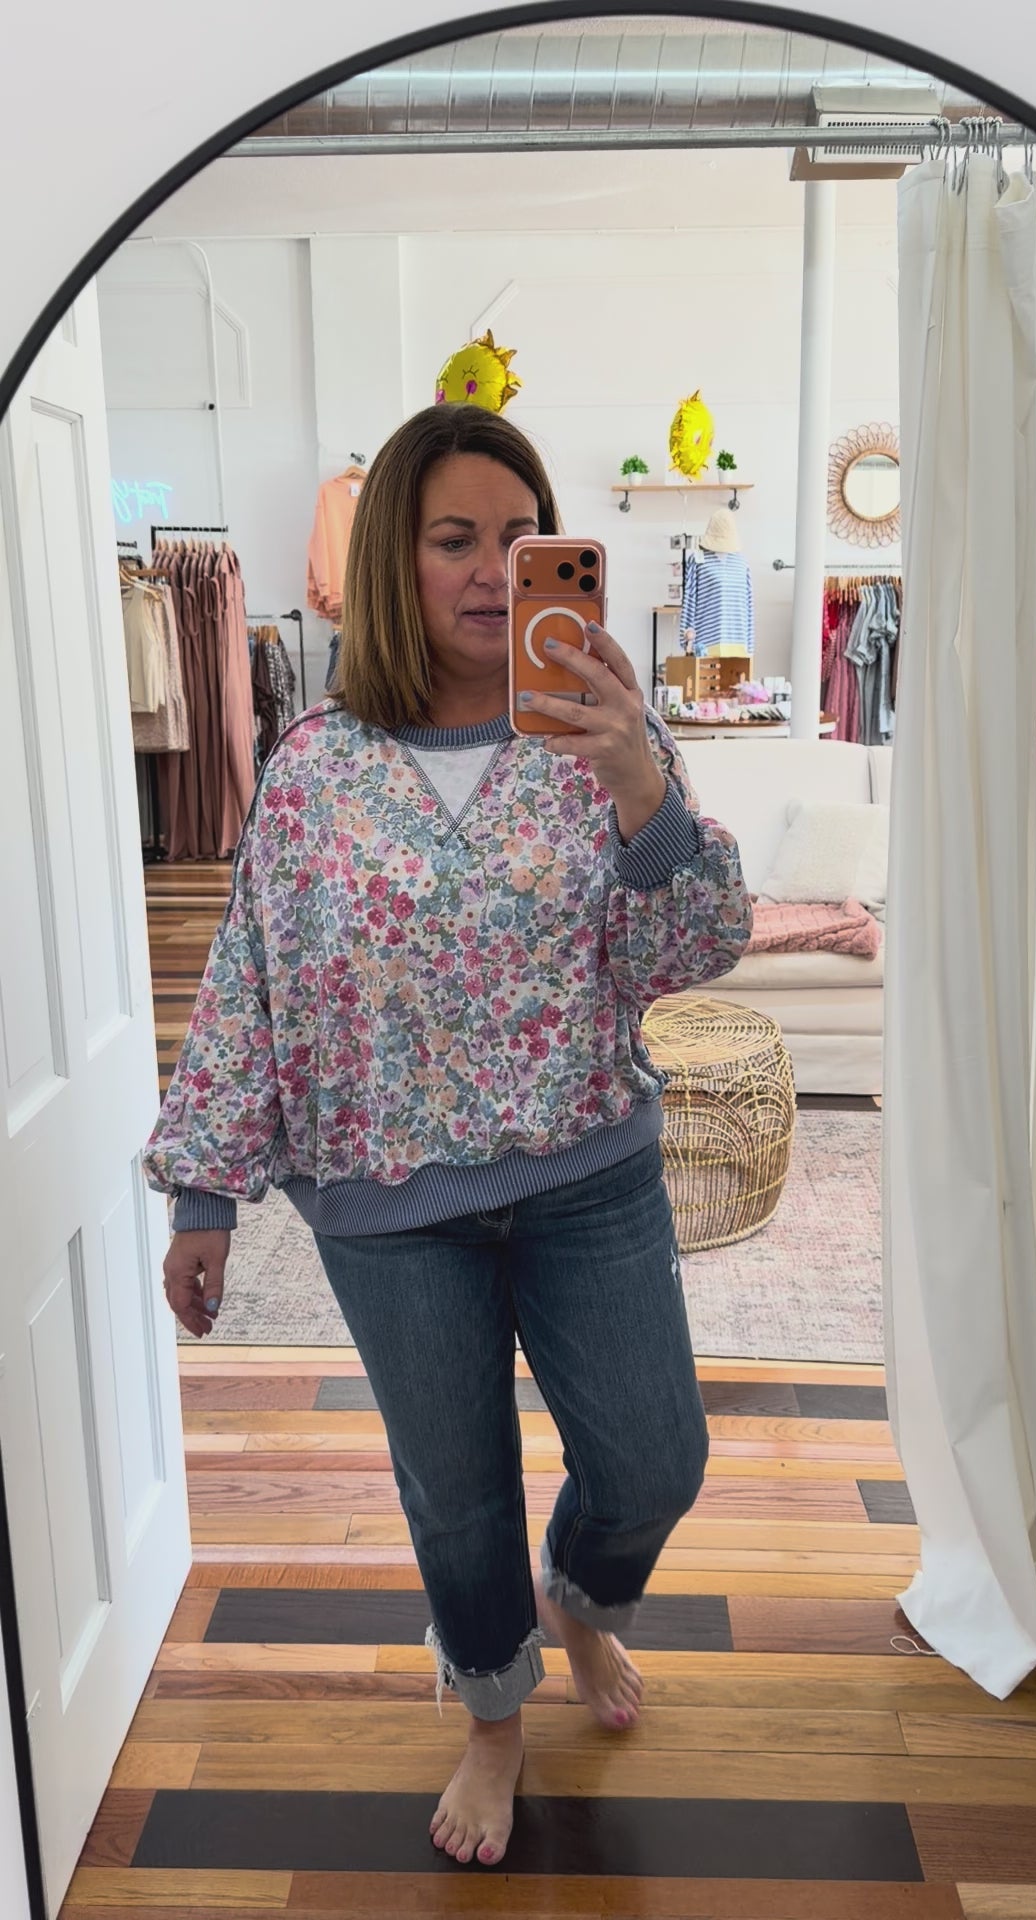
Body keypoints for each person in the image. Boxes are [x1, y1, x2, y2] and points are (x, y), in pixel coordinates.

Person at [145, 403, 752, 1870]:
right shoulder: (312, 766)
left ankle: (582, 1599)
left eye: (521, 539)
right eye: (454, 539)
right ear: (394, 561)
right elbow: (252, 976)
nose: (493, 571)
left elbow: (700, 946)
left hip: (586, 1168)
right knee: (456, 1492)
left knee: (656, 1458)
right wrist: (204, 1196)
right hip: (388, 1207)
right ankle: (491, 1716)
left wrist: (639, 783)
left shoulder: (604, 735)